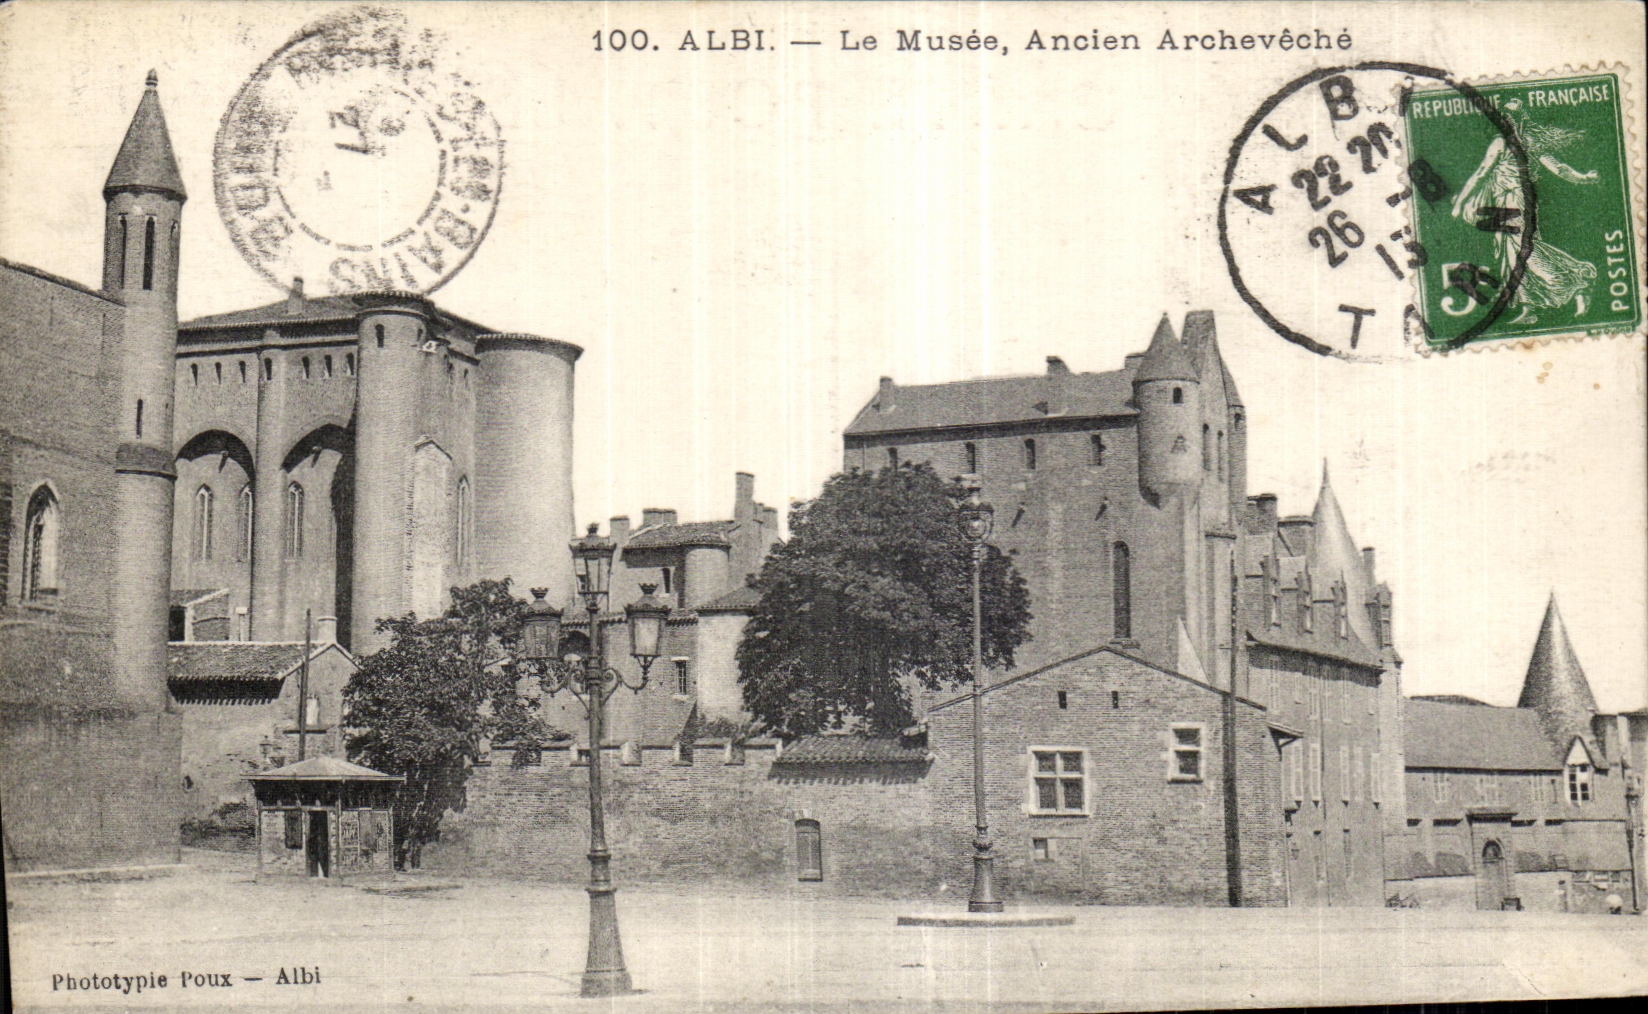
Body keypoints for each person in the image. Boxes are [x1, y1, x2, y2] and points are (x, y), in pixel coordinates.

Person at [1449, 97, 1601, 324]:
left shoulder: (1507, 143)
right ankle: (1529, 308)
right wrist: (1583, 178)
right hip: (1508, 203)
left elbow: (1482, 174)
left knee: (1524, 251)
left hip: (1516, 201)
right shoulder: (1518, 142)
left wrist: (1460, 203)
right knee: (1513, 254)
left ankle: (1576, 280)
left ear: (1517, 120)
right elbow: (1557, 168)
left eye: (1510, 117)